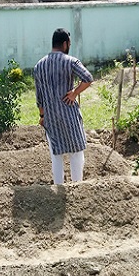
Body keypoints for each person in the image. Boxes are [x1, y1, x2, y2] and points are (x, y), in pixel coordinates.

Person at [34, 28, 93, 184]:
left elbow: (39, 98)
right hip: (69, 116)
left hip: (51, 117)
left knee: (56, 155)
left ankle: (59, 188)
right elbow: (88, 78)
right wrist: (74, 93)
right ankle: (77, 186)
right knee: (76, 152)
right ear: (66, 43)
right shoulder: (70, 61)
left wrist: (42, 116)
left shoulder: (39, 66)